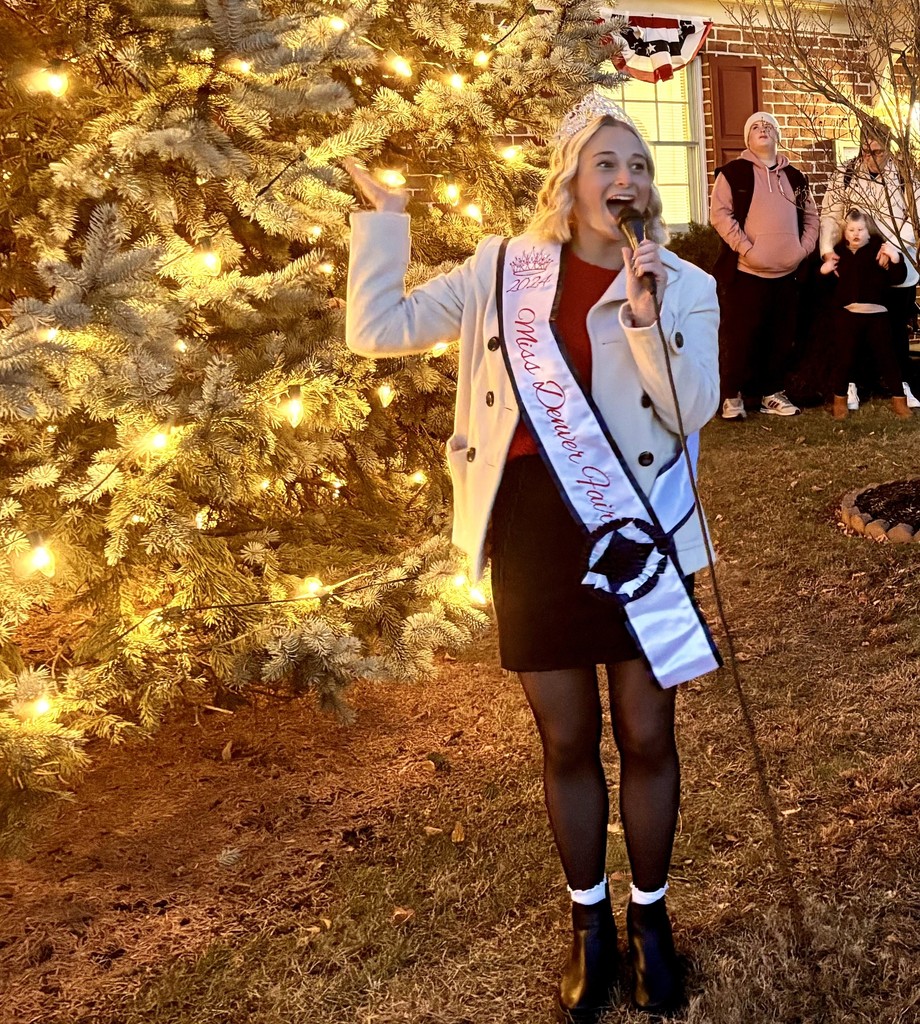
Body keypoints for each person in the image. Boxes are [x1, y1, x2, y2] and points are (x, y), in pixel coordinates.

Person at [343, 91, 721, 1021]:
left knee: (646, 734)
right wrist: (385, 223)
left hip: (634, 527)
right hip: (533, 531)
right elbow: (376, 331)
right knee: (564, 740)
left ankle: (654, 923)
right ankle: (590, 930)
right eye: (607, 163)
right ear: (572, 180)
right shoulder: (502, 269)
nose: (625, 179)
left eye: (638, 165)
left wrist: (643, 316)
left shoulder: (684, 283)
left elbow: (690, 410)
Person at [710, 111, 819, 419]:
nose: (763, 129)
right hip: (747, 274)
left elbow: (811, 217)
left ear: (777, 136)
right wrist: (746, 248)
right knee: (740, 337)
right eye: (755, 126)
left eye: (769, 126)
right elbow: (720, 215)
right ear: (747, 138)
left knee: (780, 339)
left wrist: (803, 249)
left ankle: (770, 394)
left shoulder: (795, 177)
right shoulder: (734, 173)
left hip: (787, 276)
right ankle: (732, 396)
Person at [819, 133, 920, 410]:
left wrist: (893, 248)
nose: (869, 158)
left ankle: (900, 384)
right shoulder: (847, 174)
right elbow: (830, 214)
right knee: (850, 325)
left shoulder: (905, 177)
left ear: (889, 149)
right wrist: (828, 249)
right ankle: (850, 384)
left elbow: (915, 216)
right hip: (857, 261)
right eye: (865, 151)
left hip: (894, 262)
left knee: (895, 326)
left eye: (876, 151)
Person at [820, 208, 910, 419]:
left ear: (869, 232)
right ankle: (839, 399)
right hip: (848, 315)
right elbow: (827, 290)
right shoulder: (839, 254)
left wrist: (896, 259)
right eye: (851, 229)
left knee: (888, 358)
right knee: (844, 358)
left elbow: (898, 278)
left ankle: (899, 398)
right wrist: (823, 272)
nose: (856, 234)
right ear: (844, 232)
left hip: (877, 315)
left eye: (860, 229)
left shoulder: (879, 252)